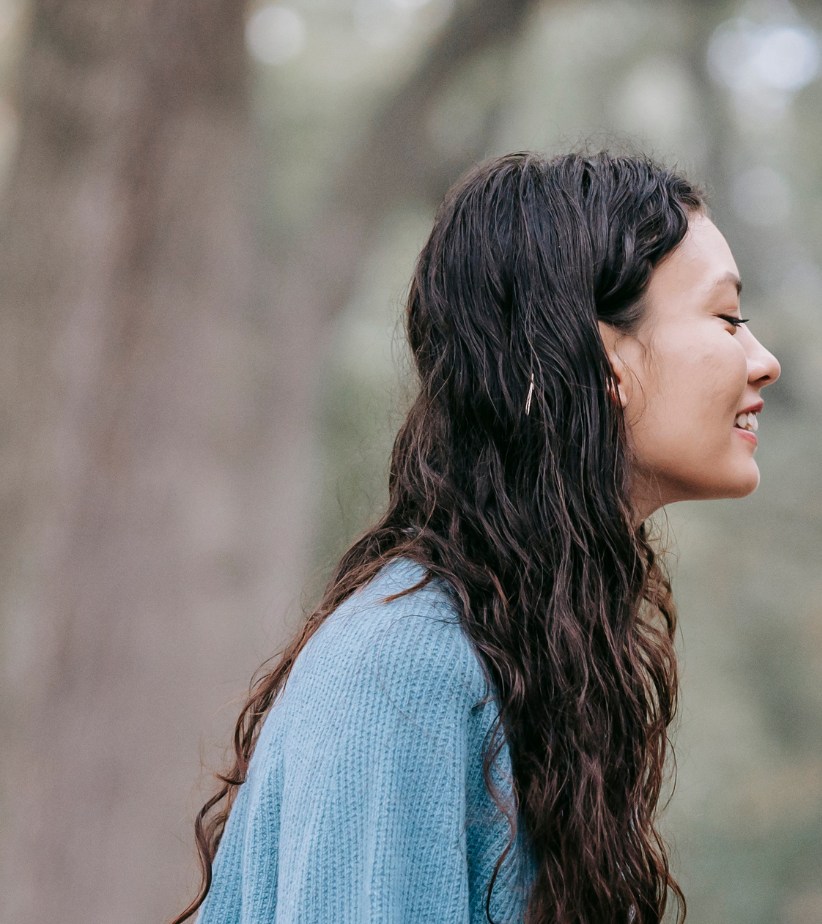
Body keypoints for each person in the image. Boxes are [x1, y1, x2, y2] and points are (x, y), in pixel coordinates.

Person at [176, 152, 779, 924]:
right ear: (602, 355)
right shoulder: (402, 664)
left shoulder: (539, 651)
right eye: (727, 318)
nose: (763, 360)